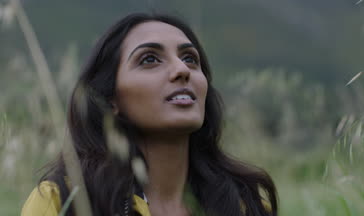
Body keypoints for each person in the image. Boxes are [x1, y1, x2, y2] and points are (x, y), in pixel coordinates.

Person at [21, 13, 278, 216]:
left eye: (190, 58)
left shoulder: (245, 205)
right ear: (110, 100)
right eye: (150, 59)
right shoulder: (63, 203)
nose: (181, 70)